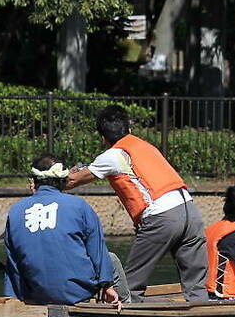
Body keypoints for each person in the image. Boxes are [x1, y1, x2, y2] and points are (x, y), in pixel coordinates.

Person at [66, 105, 208, 302]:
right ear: (129, 130)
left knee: (130, 283)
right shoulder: (145, 146)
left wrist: (50, 180)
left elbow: (72, 181)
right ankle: (200, 315)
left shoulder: (113, 155)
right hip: (191, 212)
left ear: (103, 138)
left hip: (162, 217)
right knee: (196, 283)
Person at [3, 154, 127, 307]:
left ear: (34, 181)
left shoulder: (15, 211)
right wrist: (107, 286)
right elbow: (98, 252)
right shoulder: (79, 206)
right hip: (79, 294)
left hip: (36, 295)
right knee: (111, 258)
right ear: (64, 182)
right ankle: (127, 306)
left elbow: (13, 263)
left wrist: (20, 296)